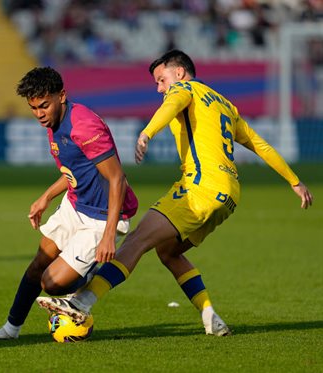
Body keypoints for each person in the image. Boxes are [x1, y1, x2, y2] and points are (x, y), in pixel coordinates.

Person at [36, 50, 314, 336]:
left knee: (136, 242)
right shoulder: (225, 105)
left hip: (199, 188)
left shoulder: (183, 88)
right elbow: (260, 144)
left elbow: (174, 102)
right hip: (229, 195)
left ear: (179, 73)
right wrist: (294, 181)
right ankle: (209, 315)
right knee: (168, 252)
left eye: (161, 79)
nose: (160, 88)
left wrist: (147, 133)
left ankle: (81, 302)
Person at [0, 66, 138, 341]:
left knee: (51, 283)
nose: (39, 114)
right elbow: (75, 169)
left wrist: (109, 235)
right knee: (38, 264)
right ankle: (10, 330)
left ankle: (84, 284)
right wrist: (46, 197)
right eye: (34, 107)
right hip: (76, 204)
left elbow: (117, 178)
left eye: (44, 106)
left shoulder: (84, 126)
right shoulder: (54, 122)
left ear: (62, 96)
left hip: (103, 214)